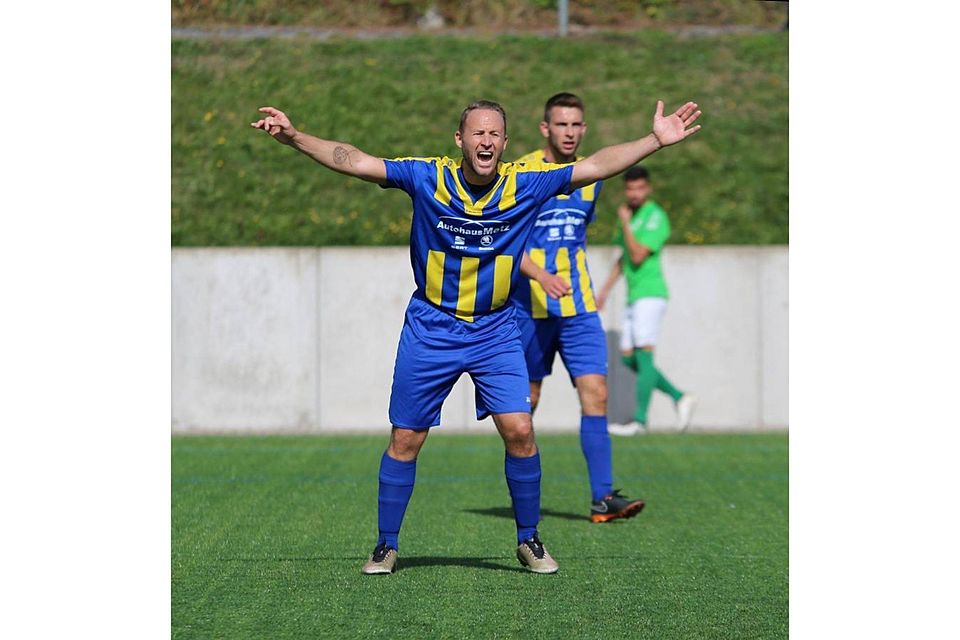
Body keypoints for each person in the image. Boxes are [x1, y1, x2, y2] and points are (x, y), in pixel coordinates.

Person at [251, 98, 702, 575]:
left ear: (505, 144)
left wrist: (654, 140)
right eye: (477, 133)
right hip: (433, 325)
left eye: (494, 135)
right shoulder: (428, 176)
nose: (485, 141)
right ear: (460, 140)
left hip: (496, 328)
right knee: (406, 437)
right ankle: (386, 545)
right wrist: (296, 138)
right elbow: (356, 160)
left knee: (521, 429)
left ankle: (529, 541)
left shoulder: (524, 184)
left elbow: (594, 165)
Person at [511, 93, 644, 523]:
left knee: (597, 395)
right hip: (529, 309)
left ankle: (603, 497)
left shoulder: (592, 176)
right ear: (545, 128)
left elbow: (578, 234)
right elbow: (504, 242)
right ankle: (524, 491)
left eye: (576, 125)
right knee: (524, 405)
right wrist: (539, 274)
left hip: (579, 308)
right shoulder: (520, 173)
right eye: (561, 125)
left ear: (584, 130)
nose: (569, 132)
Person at [597, 165, 697, 436]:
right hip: (634, 296)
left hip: (651, 294)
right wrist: (604, 290)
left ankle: (639, 421)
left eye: (640, 188)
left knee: (644, 355)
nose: (635, 193)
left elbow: (639, 254)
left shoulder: (655, 216)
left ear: (648, 188)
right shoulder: (627, 217)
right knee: (631, 359)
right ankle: (679, 396)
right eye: (630, 188)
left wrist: (627, 225)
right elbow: (624, 257)